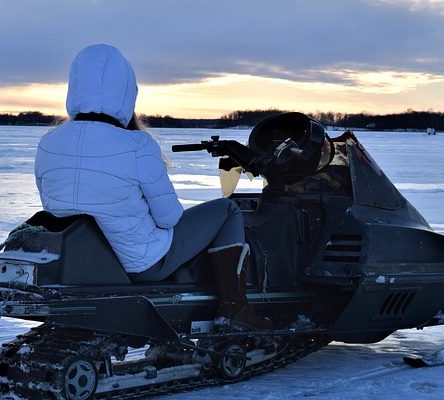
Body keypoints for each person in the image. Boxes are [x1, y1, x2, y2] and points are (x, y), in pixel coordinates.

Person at [34, 44, 270, 330]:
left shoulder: (49, 142)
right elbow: (169, 217)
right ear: (126, 93)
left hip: (84, 259)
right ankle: (235, 308)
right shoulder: (137, 145)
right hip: (141, 263)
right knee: (228, 210)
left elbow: (52, 206)